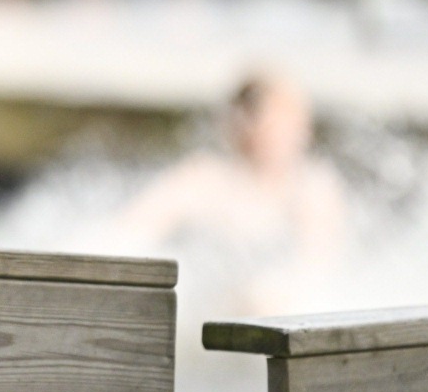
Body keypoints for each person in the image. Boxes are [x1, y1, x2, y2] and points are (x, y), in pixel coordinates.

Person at [116, 72, 347, 311]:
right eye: (248, 113)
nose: (253, 124)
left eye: (273, 117)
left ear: (298, 124)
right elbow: (132, 227)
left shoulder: (311, 186)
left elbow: (318, 262)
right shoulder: (206, 177)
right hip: (210, 314)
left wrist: (268, 296)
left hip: (277, 313)